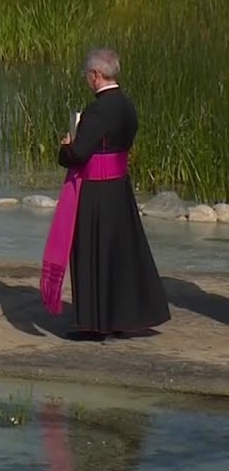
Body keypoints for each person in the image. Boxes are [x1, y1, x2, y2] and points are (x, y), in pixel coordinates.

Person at [40, 47, 171, 340]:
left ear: (96, 75)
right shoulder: (127, 104)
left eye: (88, 75)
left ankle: (94, 324)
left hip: (97, 191)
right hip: (119, 188)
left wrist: (65, 146)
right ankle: (122, 319)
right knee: (119, 255)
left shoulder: (98, 110)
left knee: (92, 253)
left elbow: (78, 154)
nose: (87, 80)